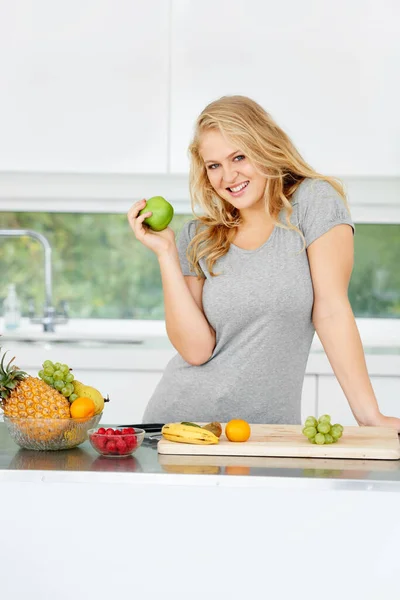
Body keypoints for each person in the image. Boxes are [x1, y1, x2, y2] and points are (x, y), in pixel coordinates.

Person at [128, 95, 400, 431]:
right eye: (214, 165)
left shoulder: (313, 203)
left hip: (267, 434)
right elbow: (196, 351)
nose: (228, 176)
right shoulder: (198, 236)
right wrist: (166, 254)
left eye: (238, 157)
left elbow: (330, 310)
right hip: (179, 426)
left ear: (264, 146)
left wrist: (369, 416)